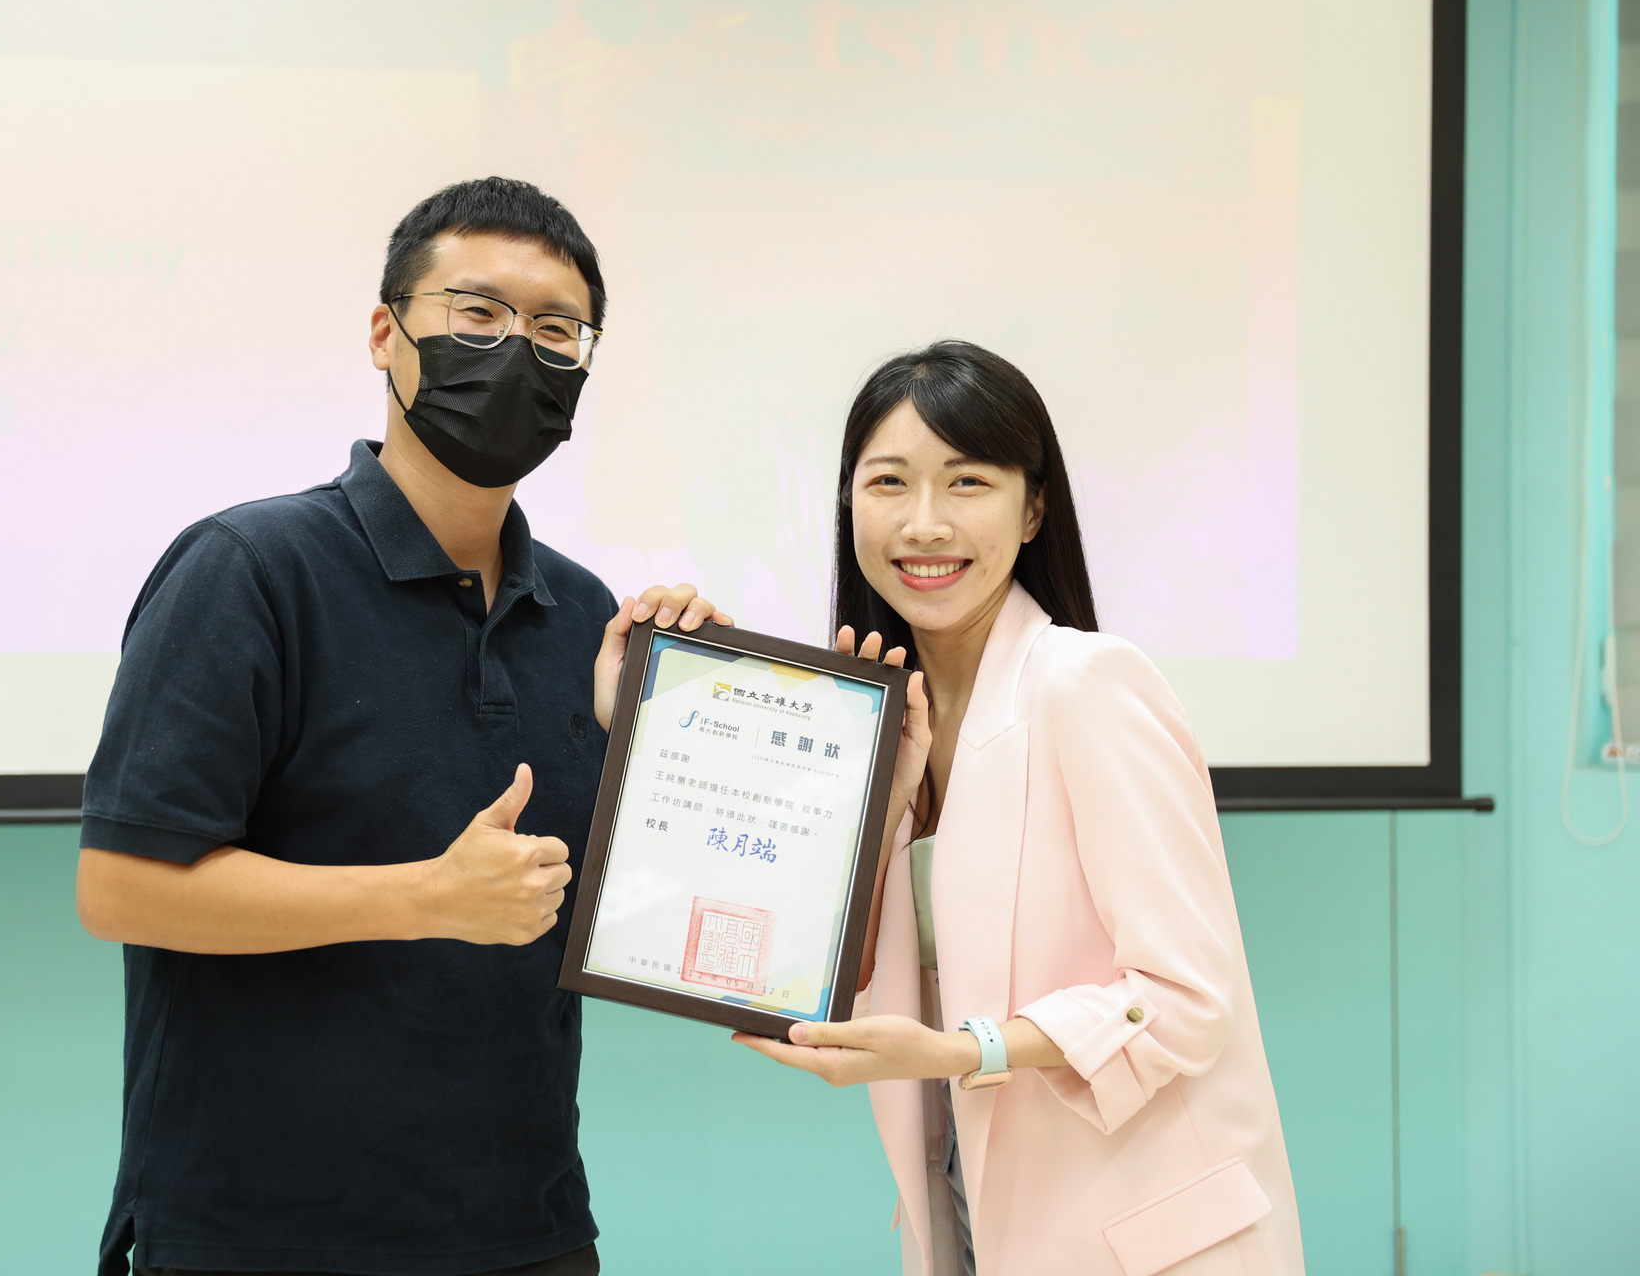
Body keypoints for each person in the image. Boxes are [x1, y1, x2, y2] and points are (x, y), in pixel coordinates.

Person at [74, 177, 728, 1276]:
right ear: (387, 333)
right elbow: (122, 887)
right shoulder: (250, 570)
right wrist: (421, 895)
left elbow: (605, 917)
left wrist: (658, 745)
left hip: (529, 1230)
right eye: (477, 314)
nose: (518, 350)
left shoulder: (583, 615)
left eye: (557, 330)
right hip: (263, 1233)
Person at [737, 341, 1304, 1275]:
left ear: (1033, 507)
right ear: (850, 505)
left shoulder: (1089, 683)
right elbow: (823, 959)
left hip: (1147, 1239)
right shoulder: (882, 720)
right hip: (974, 1221)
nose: (925, 523)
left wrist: (962, 1051)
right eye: (889, 483)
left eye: (968, 483)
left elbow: (1188, 1002)